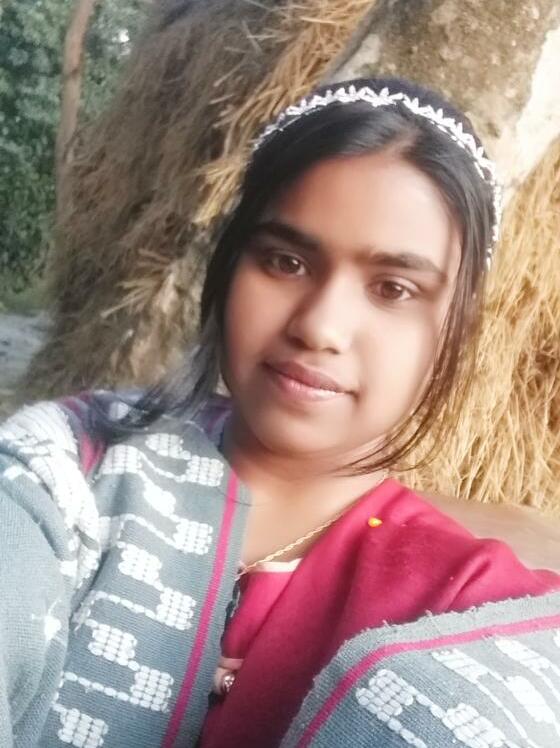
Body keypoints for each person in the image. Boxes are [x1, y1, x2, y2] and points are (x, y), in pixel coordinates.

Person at [1, 78, 559, 748]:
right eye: (286, 261)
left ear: (454, 330)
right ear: (230, 266)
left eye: (393, 289)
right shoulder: (69, 470)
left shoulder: (475, 605)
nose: (320, 326)